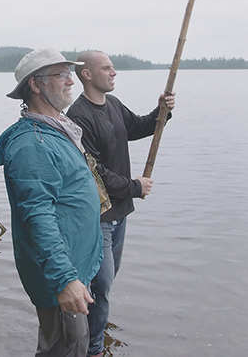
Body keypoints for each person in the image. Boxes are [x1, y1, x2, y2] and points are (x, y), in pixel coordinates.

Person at [0, 48, 103, 357]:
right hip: (61, 276)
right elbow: (38, 216)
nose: (71, 80)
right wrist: (64, 279)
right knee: (65, 347)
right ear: (35, 85)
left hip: (73, 267)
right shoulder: (33, 144)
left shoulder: (55, 131)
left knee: (75, 344)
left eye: (70, 73)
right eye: (61, 74)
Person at [66, 50, 176, 357]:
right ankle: (94, 349)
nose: (114, 73)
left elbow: (140, 126)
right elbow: (94, 173)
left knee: (105, 284)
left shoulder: (112, 105)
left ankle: (92, 330)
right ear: (87, 74)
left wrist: (161, 111)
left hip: (120, 214)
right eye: (107, 68)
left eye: (113, 68)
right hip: (97, 217)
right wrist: (134, 187)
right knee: (101, 285)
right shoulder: (79, 115)